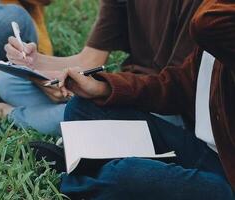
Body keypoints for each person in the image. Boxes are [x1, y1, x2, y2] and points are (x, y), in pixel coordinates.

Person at [43, 0, 234, 198]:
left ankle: (75, 176)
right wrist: (101, 88)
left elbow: (206, 23)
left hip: (227, 180)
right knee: (82, 107)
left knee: (129, 172)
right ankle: (90, 169)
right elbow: (174, 86)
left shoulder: (218, 19)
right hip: (202, 149)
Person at [0, 0, 202, 135]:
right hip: (124, 88)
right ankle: (67, 117)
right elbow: (89, 61)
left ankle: (3, 113)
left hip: (166, 105)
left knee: (79, 110)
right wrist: (33, 65)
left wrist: (102, 90)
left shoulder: (201, 7)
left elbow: (176, 88)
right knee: (7, 80)